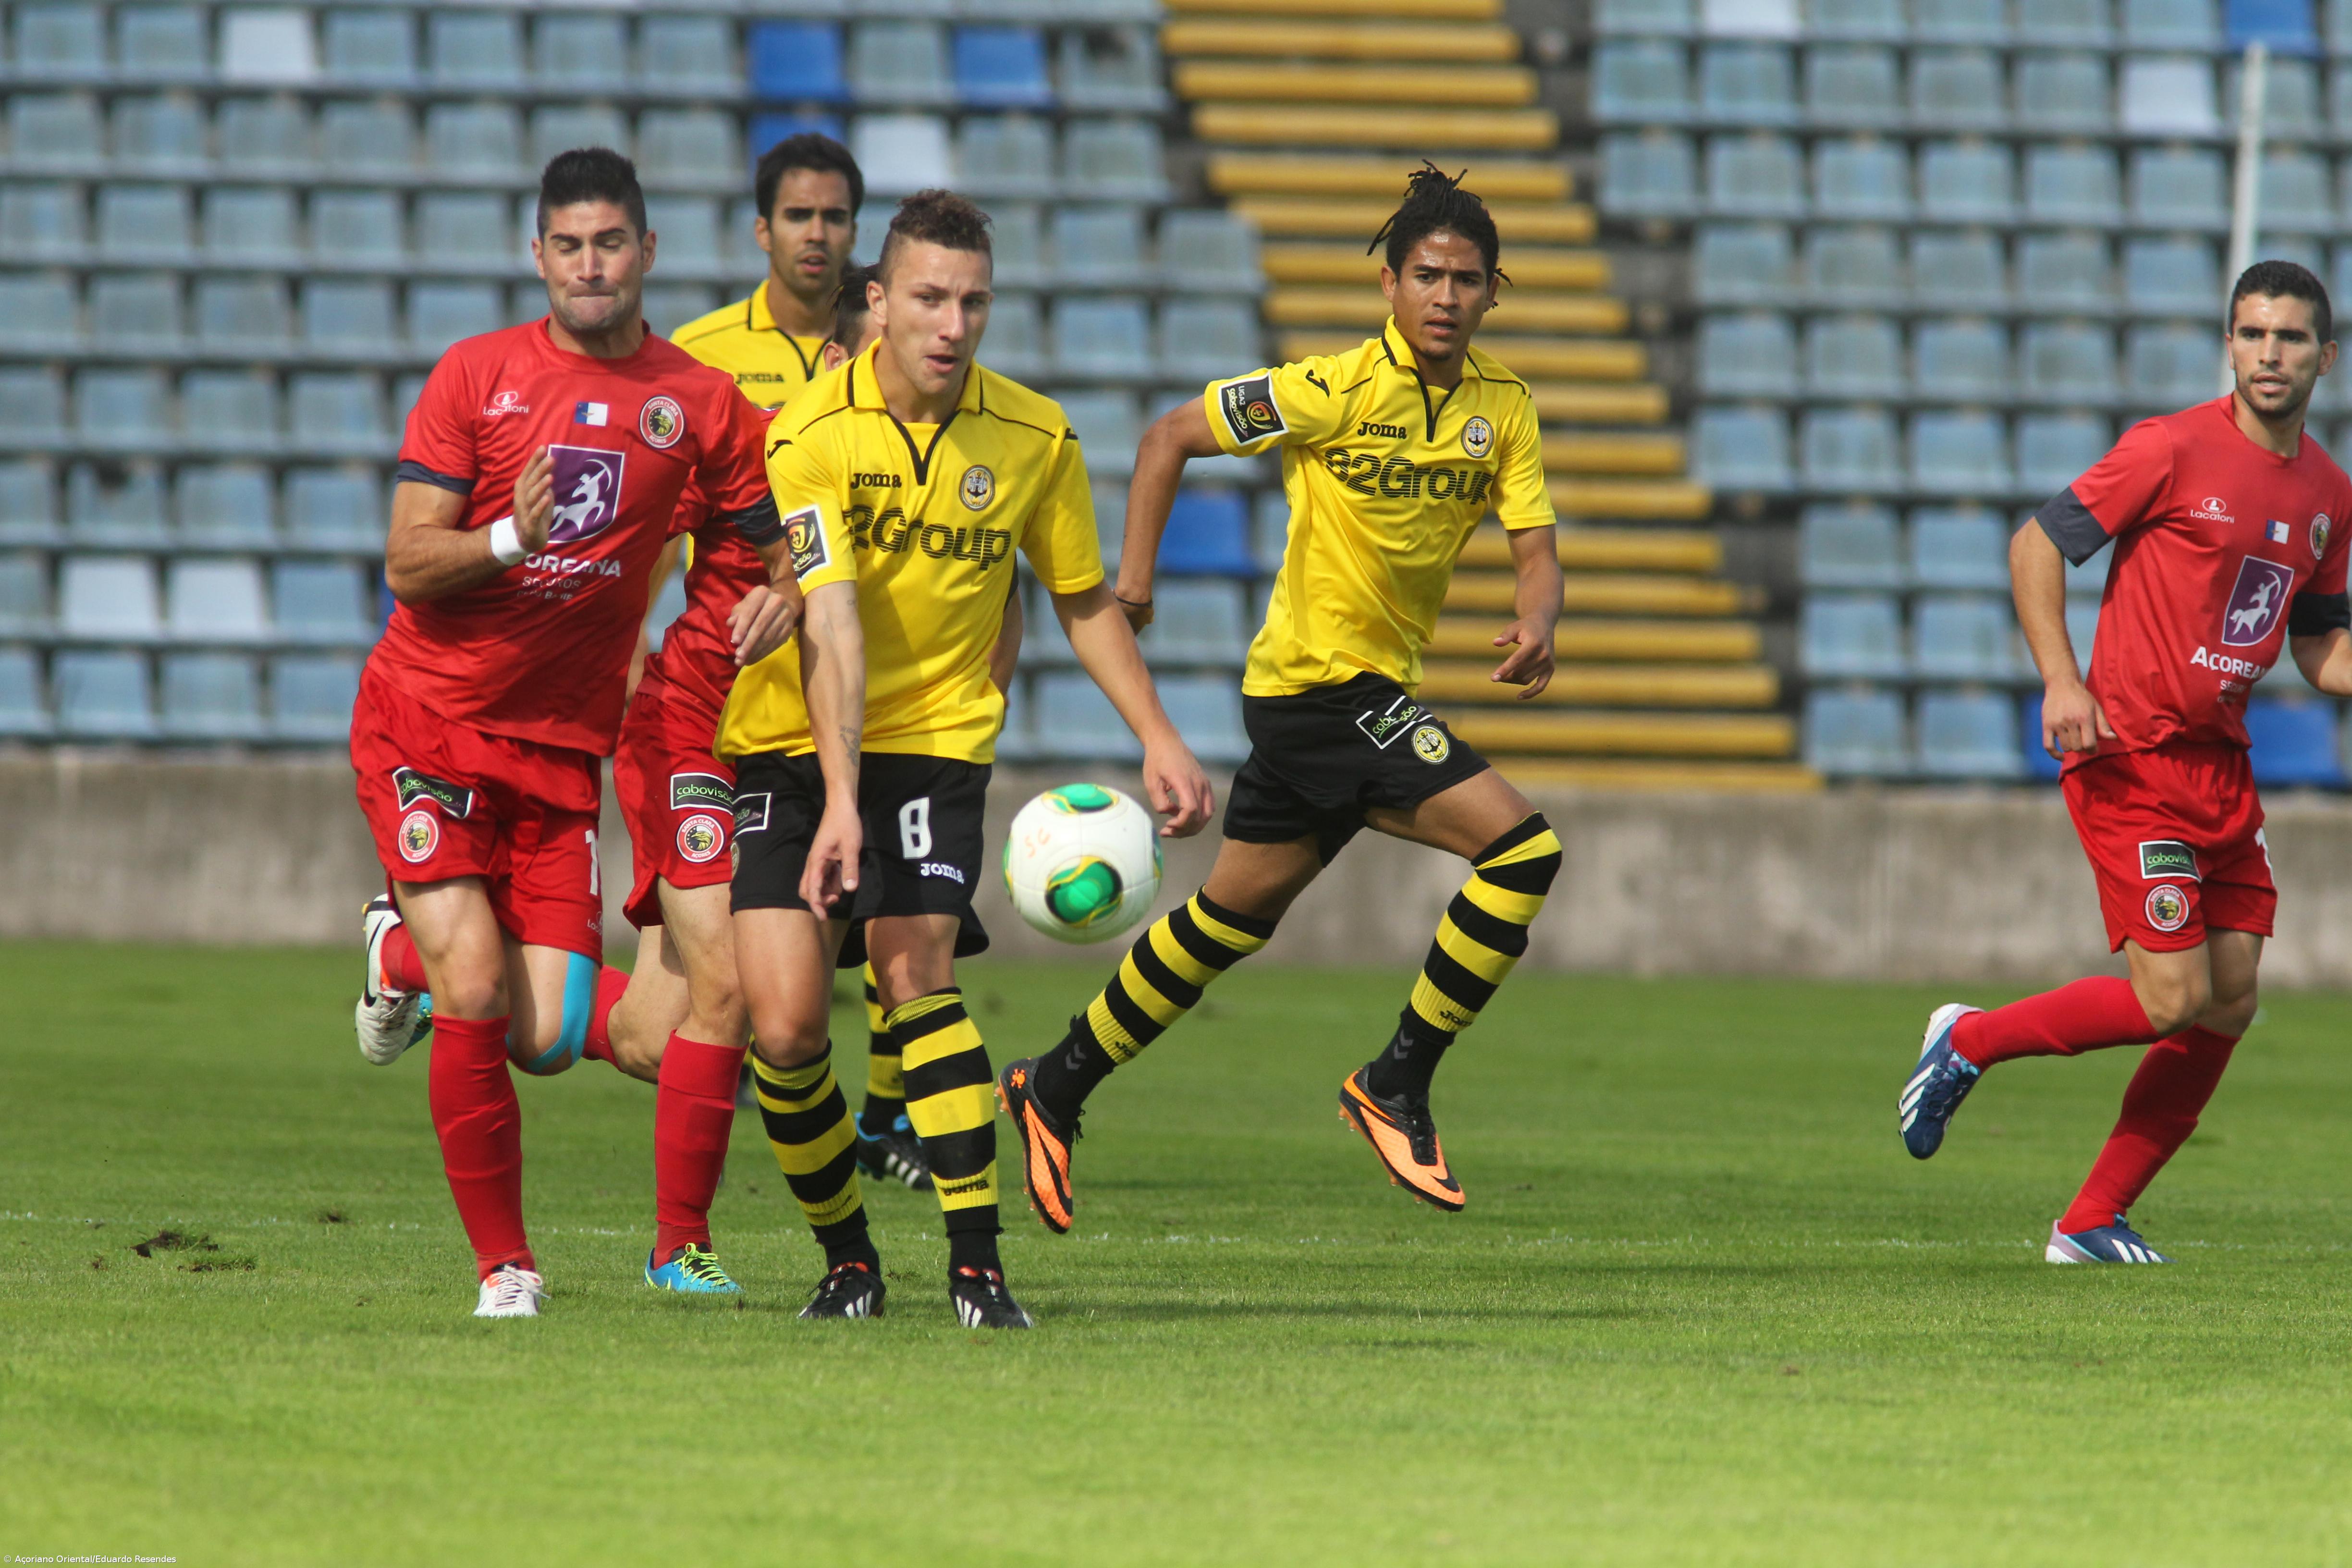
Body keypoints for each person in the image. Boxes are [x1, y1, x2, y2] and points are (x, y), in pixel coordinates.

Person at [997, 164, 1565, 1234]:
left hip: (1356, 694)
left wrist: (1539, 618)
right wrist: (1134, 588)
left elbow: (1536, 551)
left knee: (1225, 922)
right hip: (1318, 688)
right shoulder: (1330, 390)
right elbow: (1169, 437)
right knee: (1523, 852)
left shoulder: (1505, 410)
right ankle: (1396, 1082)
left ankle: (1054, 1084)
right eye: (1427, 276)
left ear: (1493, 293)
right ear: (1390, 285)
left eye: (1466, 281)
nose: (1445, 297)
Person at [720, 189, 1213, 1327]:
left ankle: (978, 1270)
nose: (953, 325)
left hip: (939, 740)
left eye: (975, 302)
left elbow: (1081, 600)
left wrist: (1160, 737)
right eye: (931, 298)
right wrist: (839, 800)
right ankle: (850, 1262)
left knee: (915, 976)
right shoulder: (807, 433)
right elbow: (831, 619)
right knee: (784, 1030)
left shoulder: (1036, 438)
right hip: (791, 742)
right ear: (879, 301)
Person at [348, 148, 803, 1318]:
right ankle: (506, 1268)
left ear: (646, 252)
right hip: (429, 720)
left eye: (609, 244)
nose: (589, 265)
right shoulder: (477, 375)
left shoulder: (699, 403)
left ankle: (392, 954)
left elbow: (771, 541)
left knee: (547, 1034)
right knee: (475, 984)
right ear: (536, 255)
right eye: (568, 245)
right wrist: (511, 537)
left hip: (558, 752)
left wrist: (780, 599)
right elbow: (408, 561)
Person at [1900, 260, 2352, 1264]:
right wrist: (2063, 681)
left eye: (2289, 338)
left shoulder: (2330, 493)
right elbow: (2035, 544)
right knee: (2172, 999)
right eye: (2252, 334)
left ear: (2326, 357)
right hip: (2131, 755)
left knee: (2231, 997)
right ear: (2228, 345)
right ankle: (1968, 1040)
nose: (2269, 354)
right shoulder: (2170, 448)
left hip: (2220, 769)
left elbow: (2319, 646)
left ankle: (2089, 1222)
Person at [648, 135, 1021, 1193]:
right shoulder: (704, 357)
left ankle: (888, 1125)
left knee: (893, 949)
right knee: (708, 1007)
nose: (817, 233)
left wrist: (979, 696)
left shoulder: (916, 364)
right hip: (729, 687)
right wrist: (633, 642)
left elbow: (996, 581)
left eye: (835, 216)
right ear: (761, 230)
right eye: (798, 215)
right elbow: (663, 517)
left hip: (877, 700)